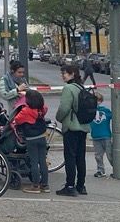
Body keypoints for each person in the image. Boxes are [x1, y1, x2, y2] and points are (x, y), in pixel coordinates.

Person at [55, 63, 90, 197]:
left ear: (72, 74)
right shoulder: (81, 87)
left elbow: (64, 108)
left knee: (70, 157)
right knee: (81, 157)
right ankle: (81, 186)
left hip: (71, 126)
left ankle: (70, 186)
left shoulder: (68, 88)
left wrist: (58, 118)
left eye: (64, 73)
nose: (62, 76)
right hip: (83, 126)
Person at [13, 88, 50, 194]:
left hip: (31, 139)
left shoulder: (26, 111)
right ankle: (45, 185)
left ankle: (35, 186)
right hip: (42, 137)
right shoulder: (42, 109)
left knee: (34, 162)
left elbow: (17, 120)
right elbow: (45, 107)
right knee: (43, 161)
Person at [90, 91, 113, 178]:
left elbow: (115, 116)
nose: (96, 102)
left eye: (98, 100)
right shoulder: (89, 111)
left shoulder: (105, 111)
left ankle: (116, 169)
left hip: (106, 136)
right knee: (98, 155)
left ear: (101, 101)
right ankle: (100, 170)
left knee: (110, 154)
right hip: (95, 136)